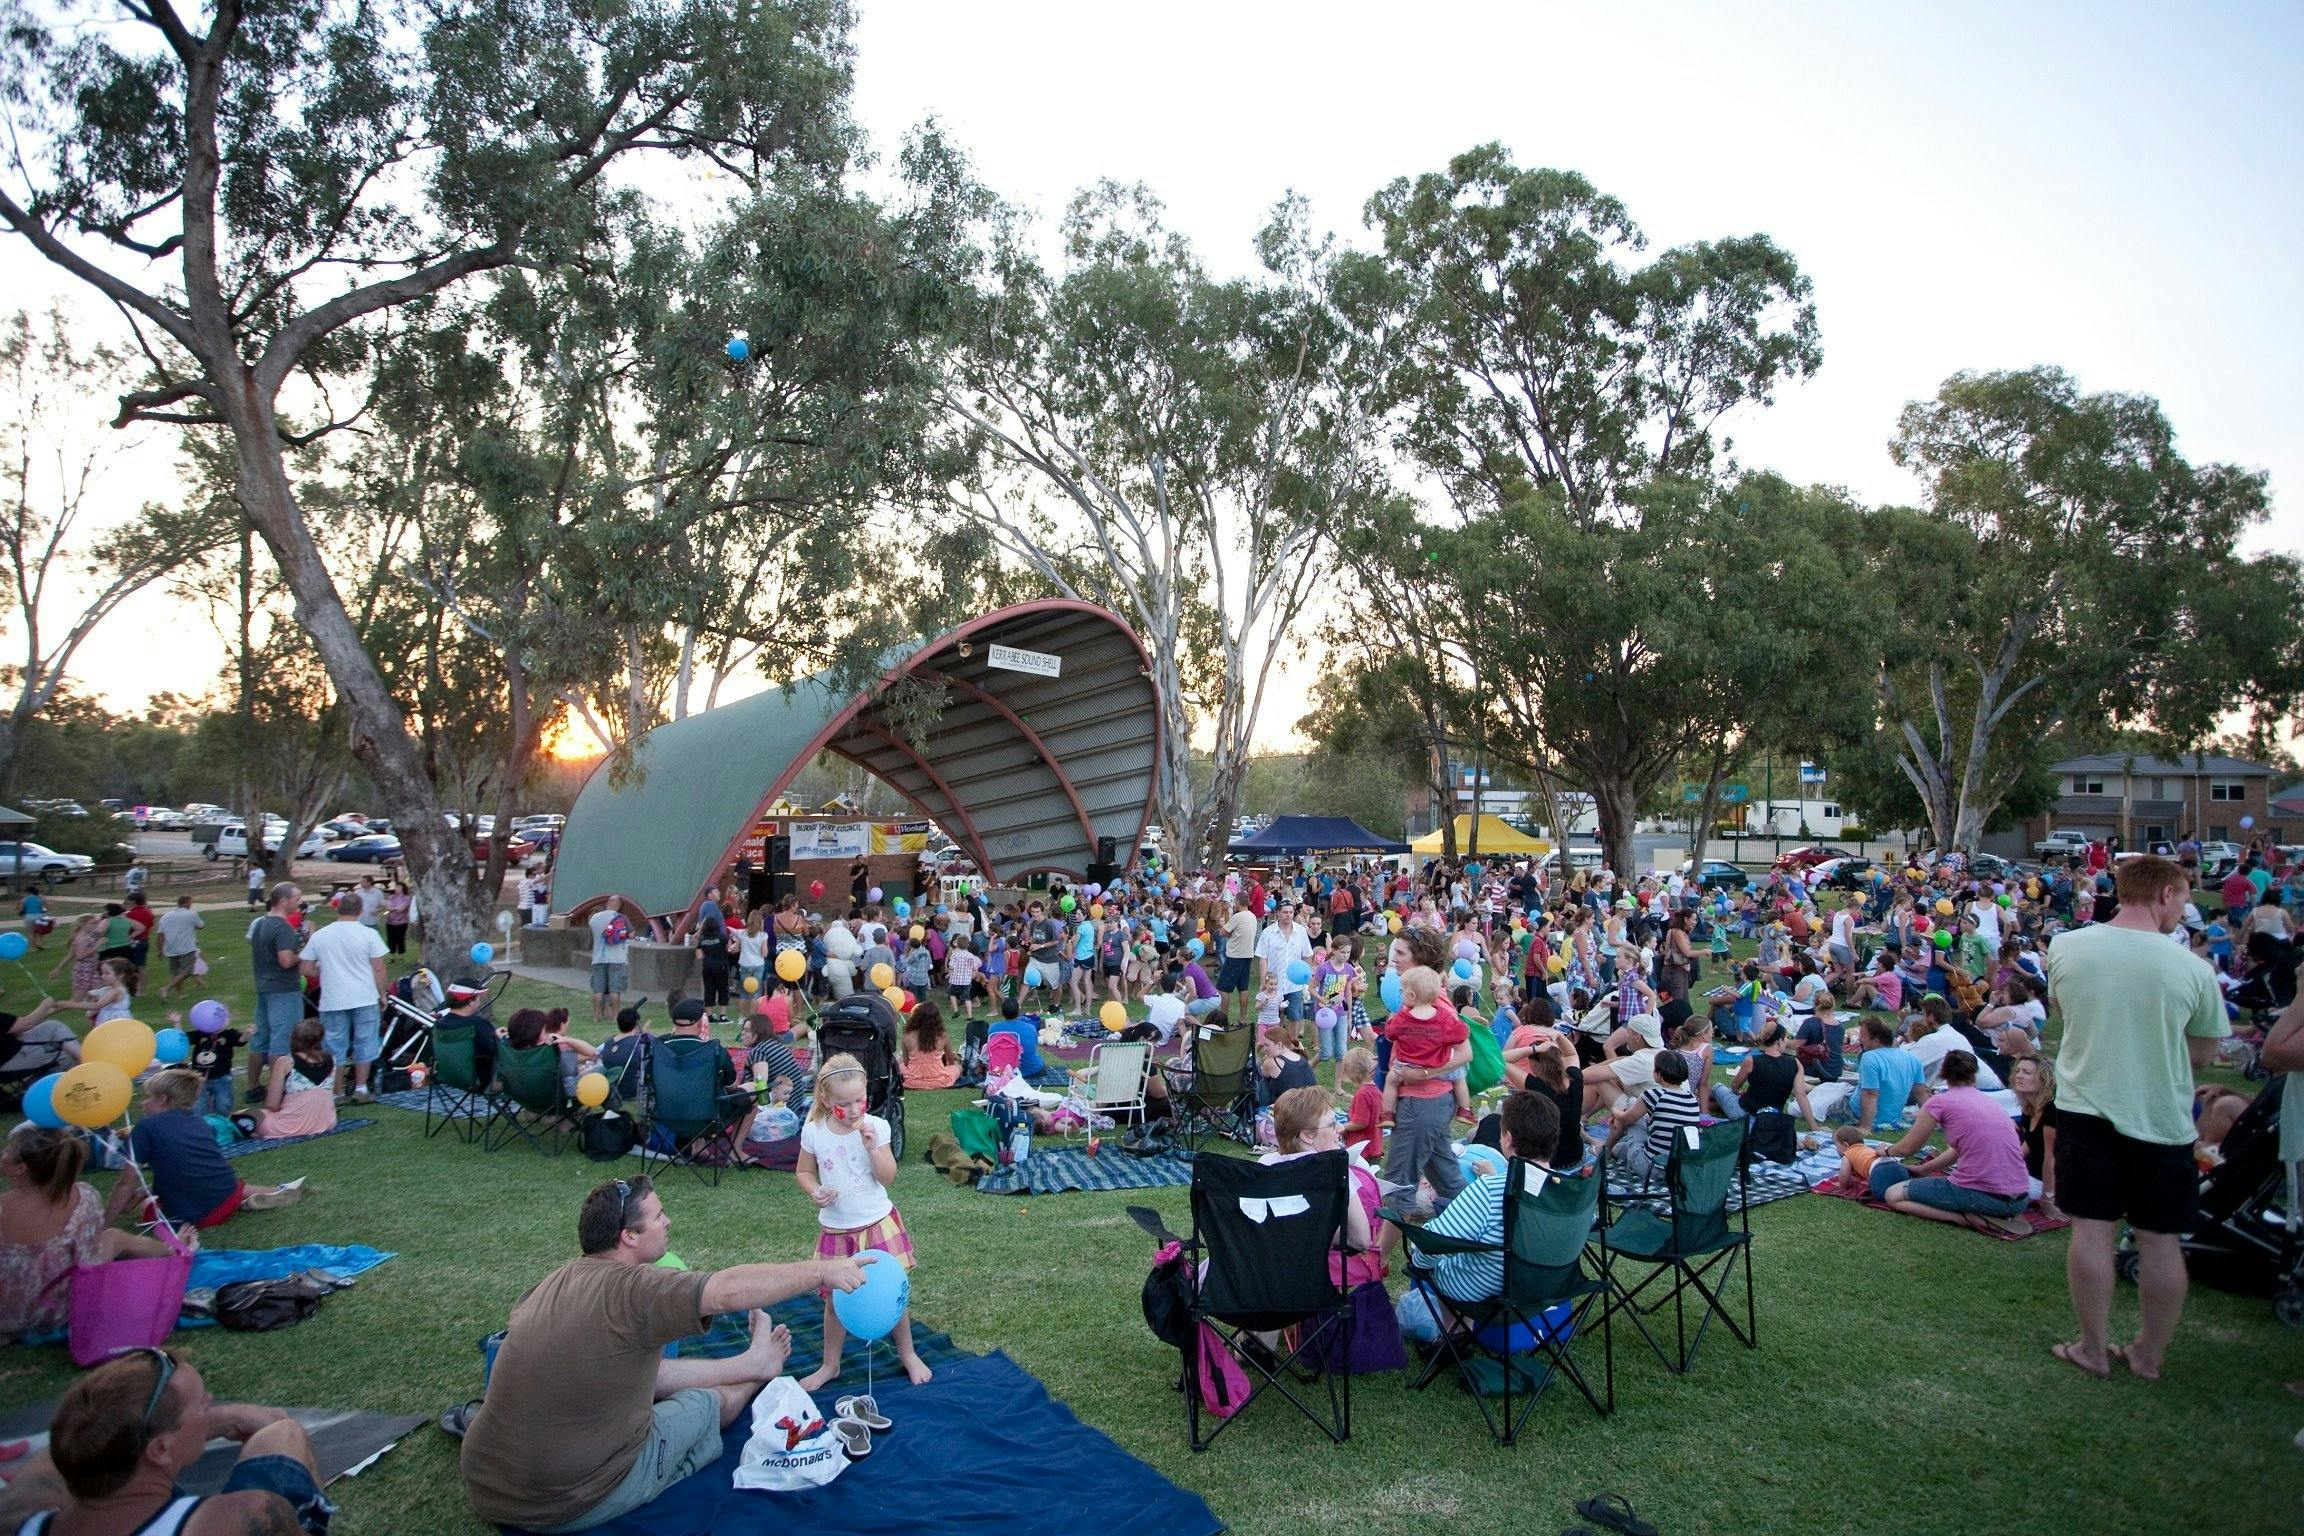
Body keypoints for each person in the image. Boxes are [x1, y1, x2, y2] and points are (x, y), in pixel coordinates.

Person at [459, 1177, 866, 1532]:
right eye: (658, 1215)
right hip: (563, 1502)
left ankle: (750, 1362)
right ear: (628, 1236)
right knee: (707, 1404)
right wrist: (821, 1271)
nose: (667, 1221)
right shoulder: (636, 1288)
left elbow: (638, 1373)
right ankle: (755, 1373)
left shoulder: (553, 1282)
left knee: (643, 1375)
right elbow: (724, 1291)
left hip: (484, 1482)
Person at [2044, 853, 2228, 1382]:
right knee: (2160, 1240)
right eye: (2185, 899)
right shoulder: (2193, 968)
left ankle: (2093, 1346)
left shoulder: (2067, 946)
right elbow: (2202, 1055)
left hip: (2086, 1108)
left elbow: (2065, 1013)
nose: (2184, 911)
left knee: (2093, 1230)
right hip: (2162, 1115)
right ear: (2166, 894)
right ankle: (2148, 1354)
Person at [0, 1347, 331, 1535]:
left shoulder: (18, 1518)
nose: (211, 1403)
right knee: (282, 1434)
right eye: (203, 1404)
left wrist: (215, 1420)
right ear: (159, 1449)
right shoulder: (238, 1516)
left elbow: (52, 1460)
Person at [795, 1054, 932, 1389]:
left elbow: (887, 1177)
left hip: (876, 1225)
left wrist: (873, 1148)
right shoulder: (814, 1131)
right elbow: (803, 1171)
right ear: (826, 1100)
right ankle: (831, 1365)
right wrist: (814, 1191)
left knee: (892, 1296)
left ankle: (908, 1354)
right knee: (834, 1301)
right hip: (837, 1231)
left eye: (860, 1100)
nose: (855, 1109)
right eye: (844, 1104)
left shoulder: (877, 1127)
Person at [1396, 1090, 1566, 1344]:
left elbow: (1431, 1241)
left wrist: (1419, 1260)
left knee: (1440, 1263)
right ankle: (1459, 1333)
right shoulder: (1570, 1190)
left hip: (1491, 1292)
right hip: (1549, 1287)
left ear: (1507, 1140)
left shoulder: (1491, 1189)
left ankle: (1455, 1333)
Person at [1, 1125, 182, 1342]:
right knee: (112, 1237)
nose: (2, 1153)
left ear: (20, 1168)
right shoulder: (83, 1197)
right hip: (59, 1309)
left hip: (6, 1317)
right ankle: (175, 1250)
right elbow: (88, 1257)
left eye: (7, 1150)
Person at [108, 1070, 303, 1230]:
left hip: (196, 1216)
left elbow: (125, 1185)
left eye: (148, 1097)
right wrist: (144, 1190)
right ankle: (274, 1191)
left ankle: (254, 1201)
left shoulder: (145, 1128)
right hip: (227, 1195)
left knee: (149, 1207)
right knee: (228, 1185)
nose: (143, 1103)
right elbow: (188, 1169)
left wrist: (103, 1223)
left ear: (163, 1099)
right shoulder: (202, 1123)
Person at [1869, 1050, 2033, 1235]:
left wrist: (1887, 1151)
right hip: (2019, 1197)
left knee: (1894, 1195)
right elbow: (1958, 1149)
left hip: (1983, 1195)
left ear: (1944, 1073)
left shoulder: (1940, 1103)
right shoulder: (1990, 1103)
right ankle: (1995, 1212)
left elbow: (1908, 1148)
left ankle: (1966, 1218)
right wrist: (1924, 1169)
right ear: (1973, 1075)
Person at [300, 893, 388, 1102]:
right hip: (364, 996)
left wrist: (325, 969)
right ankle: (361, 1089)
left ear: (337, 909)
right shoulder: (368, 934)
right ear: (360, 911)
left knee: (334, 1045)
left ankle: (337, 1092)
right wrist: (382, 994)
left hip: (333, 998)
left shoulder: (320, 935)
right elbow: (379, 968)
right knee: (365, 1042)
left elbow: (306, 968)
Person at [651, 999, 757, 1153]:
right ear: (700, 1023)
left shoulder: (658, 1049)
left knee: (692, 1093)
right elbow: (731, 1084)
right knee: (754, 1090)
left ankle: (699, 1147)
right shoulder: (713, 1050)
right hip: (708, 1119)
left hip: (665, 1117)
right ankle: (736, 1151)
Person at [1600, 1045, 1701, 1185]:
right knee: (1618, 1149)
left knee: (1631, 1103)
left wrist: (1615, 1110)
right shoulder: (1692, 1099)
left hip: (1652, 1167)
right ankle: (1611, 1151)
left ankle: (1604, 1153)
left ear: (1658, 1074)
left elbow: (1626, 1119)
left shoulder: (1653, 1095)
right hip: (1679, 1167)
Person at [248, 882, 306, 1102]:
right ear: (284, 901)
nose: (299, 903)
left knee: (260, 1039)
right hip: (283, 990)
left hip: (264, 987)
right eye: (296, 899)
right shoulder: (282, 927)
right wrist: (305, 951)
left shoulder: (261, 923)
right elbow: (286, 960)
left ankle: (253, 1088)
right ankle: (278, 1092)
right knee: (281, 1042)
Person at [1711, 1022, 1818, 1130]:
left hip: (1743, 1114)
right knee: (1732, 1098)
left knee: (1718, 1087)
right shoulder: (1796, 1063)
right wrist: (1814, 1127)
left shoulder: (1751, 1060)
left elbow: (1734, 1086)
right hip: (1772, 1119)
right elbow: (1801, 1096)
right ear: (1780, 1041)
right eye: (1786, 1038)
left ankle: (1702, 1101)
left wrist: (1737, 1092)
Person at [252, 1017, 339, 1140]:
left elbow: (272, 1104)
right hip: (326, 1122)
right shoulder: (332, 1059)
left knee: (248, 1115)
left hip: (289, 1126)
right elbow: (335, 1091)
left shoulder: (285, 1062)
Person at [154, 894, 207, 998]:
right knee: (188, 970)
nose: (191, 904)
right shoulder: (192, 914)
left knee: (176, 971)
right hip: (187, 947)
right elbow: (201, 926)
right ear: (186, 902)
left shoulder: (166, 916)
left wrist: (160, 950)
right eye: (191, 902)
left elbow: (160, 935)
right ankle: (166, 988)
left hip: (170, 948)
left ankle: (181, 994)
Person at [1336, 1045, 1383, 1162]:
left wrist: (1343, 1127)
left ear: (1353, 1072)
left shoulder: (1363, 1093)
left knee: (1358, 1177)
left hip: (1362, 1149)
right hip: (1375, 1145)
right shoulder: (1378, 1088)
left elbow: (1360, 1123)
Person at [899, 1000, 959, 1090]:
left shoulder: (907, 1035)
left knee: (900, 1065)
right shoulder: (942, 1035)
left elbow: (906, 1062)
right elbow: (950, 1061)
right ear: (937, 1018)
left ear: (917, 1017)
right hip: (939, 1080)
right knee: (957, 1067)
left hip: (913, 1081)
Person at [588, 905, 634, 1023]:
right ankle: (615, 1016)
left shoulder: (594, 918)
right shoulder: (620, 917)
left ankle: (596, 1016)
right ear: (618, 905)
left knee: (598, 990)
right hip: (616, 958)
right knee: (614, 990)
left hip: (598, 958)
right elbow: (631, 934)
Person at [382, 880, 413, 956]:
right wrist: (395, 908)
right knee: (391, 939)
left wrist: (393, 908)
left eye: (399, 887)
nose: (396, 888)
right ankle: (392, 955)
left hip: (402, 922)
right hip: (390, 921)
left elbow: (401, 909)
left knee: (400, 938)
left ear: (403, 888)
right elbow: (388, 907)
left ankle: (401, 955)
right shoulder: (392, 897)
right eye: (396, 887)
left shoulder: (407, 898)